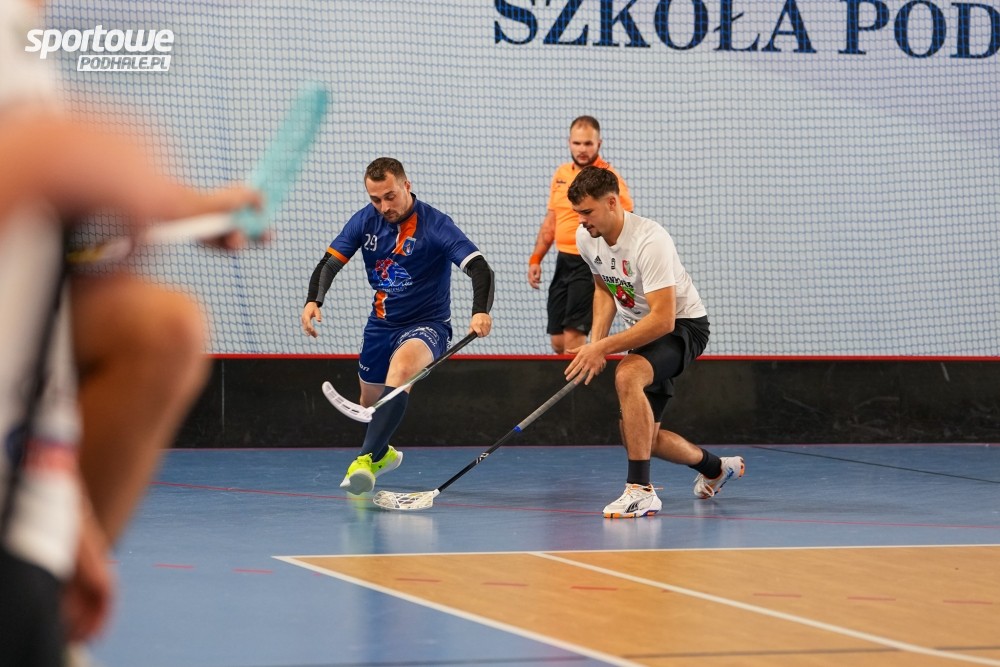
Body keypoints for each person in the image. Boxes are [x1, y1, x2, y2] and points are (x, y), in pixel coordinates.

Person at [1, 2, 262, 660]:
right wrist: (42, 156)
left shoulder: (23, 38)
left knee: (161, 331)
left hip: (26, 477)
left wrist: (190, 208)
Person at [301, 157, 494, 494]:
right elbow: (330, 262)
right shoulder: (365, 220)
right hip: (380, 326)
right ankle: (383, 454)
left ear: (406, 185)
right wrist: (313, 300)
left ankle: (362, 462)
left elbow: (480, 267)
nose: (384, 206)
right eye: (376, 199)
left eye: (390, 196)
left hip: (427, 325)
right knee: (370, 404)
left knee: (402, 372)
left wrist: (480, 311)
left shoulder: (436, 225)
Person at [562, 166, 744, 519]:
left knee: (628, 375)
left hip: (682, 326)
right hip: (642, 330)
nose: (581, 220)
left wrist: (603, 348)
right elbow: (604, 289)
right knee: (641, 436)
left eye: (587, 212)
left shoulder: (650, 240)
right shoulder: (587, 237)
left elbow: (663, 320)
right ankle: (716, 468)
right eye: (577, 213)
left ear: (612, 203)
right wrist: (596, 343)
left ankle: (640, 491)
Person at [527, 116, 633, 354]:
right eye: (577, 143)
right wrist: (536, 258)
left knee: (573, 339)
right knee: (558, 341)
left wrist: (619, 265)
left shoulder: (608, 178)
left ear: (599, 144)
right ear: (569, 143)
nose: (582, 149)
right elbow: (551, 221)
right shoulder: (561, 174)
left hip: (590, 263)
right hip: (563, 261)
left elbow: (626, 220)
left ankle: (585, 371)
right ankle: (586, 363)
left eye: (588, 143)